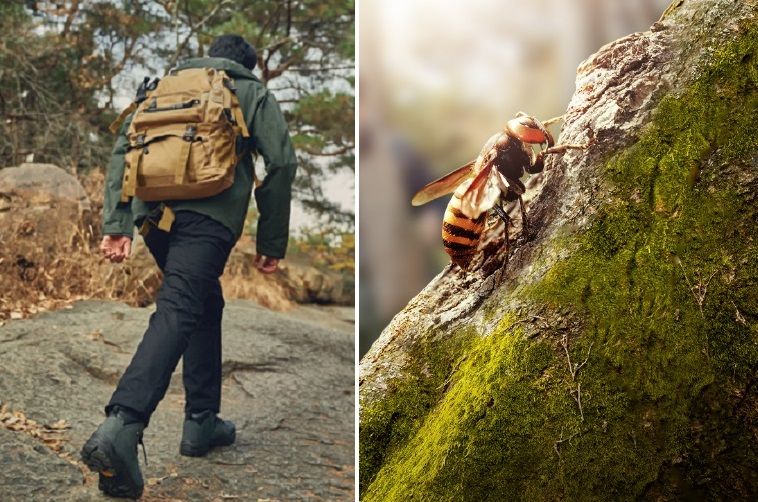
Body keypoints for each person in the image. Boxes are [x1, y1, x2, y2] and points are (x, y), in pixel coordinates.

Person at [80, 34, 298, 499]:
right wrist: (271, 241)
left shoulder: (165, 86)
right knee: (181, 303)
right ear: (248, 65)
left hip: (152, 216)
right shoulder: (249, 89)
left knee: (204, 301)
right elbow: (281, 161)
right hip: (209, 214)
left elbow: (124, 149)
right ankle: (122, 425)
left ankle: (201, 421)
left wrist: (117, 224)